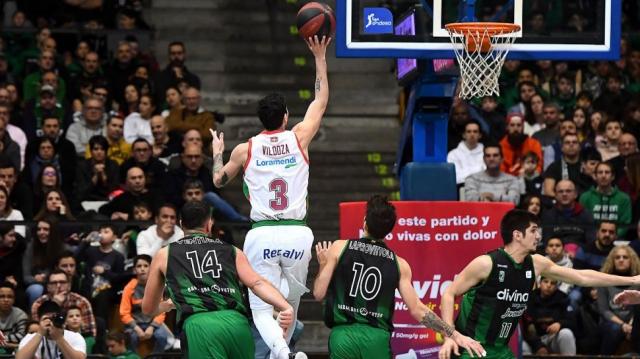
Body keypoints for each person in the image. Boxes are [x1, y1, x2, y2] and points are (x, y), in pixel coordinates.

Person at [209, 35, 330, 356]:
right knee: (289, 305)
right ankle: (285, 352)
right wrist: (319, 57)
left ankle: (282, 351)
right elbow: (320, 102)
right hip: (297, 233)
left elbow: (218, 181)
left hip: (261, 235)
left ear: (260, 120)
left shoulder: (244, 149)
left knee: (263, 310)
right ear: (286, 117)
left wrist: (217, 154)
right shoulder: (299, 138)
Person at [438, 209, 640, 359]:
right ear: (517, 235)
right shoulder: (486, 263)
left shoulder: (536, 263)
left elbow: (581, 277)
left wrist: (631, 280)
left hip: (501, 351)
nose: (538, 236)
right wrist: (449, 336)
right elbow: (449, 294)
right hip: (470, 349)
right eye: (534, 230)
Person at [313, 196, 485, 358]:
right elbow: (418, 310)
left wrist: (322, 264)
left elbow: (318, 293)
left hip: (343, 336)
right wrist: (453, 334)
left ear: (364, 222)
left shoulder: (339, 247)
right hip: (377, 339)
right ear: (388, 231)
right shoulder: (399, 264)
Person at [141, 200, 302, 359]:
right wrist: (284, 306)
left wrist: (168, 305)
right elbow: (257, 283)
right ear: (209, 224)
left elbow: (148, 309)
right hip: (237, 325)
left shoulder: (165, 254)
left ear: (181, 224)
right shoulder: (232, 250)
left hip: (201, 326)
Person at [120, 255, 172, 353]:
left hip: (153, 323)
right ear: (134, 270)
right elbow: (124, 312)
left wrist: (152, 327)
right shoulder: (129, 288)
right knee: (131, 338)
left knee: (162, 337)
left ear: (151, 268)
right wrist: (136, 328)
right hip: (134, 324)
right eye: (139, 266)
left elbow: (161, 311)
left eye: (146, 266)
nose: (142, 269)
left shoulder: (157, 286)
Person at [16, 300, 86, 359]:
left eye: (53, 319)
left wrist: (59, 338)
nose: (50, 323)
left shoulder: (74, 337)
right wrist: (40, 334)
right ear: (39, 321)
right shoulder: (30, 338)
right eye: (46, 319)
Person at [447, 120, 485, 185]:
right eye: (469, 131)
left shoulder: (487, 153)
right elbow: (455, 178)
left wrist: (464, 172)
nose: (472, 134)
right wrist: (479, 168)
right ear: (464, 135)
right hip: (460, 189)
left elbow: (488, 177)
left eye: (475, 131)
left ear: (480, 135)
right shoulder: (453, 154)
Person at [0, 282, 28, 353]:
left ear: (14, 299)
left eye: (9, 297)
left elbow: (22, 336)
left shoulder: (21, 315)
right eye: (2, 296)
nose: (6, 300)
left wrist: (2, 339)